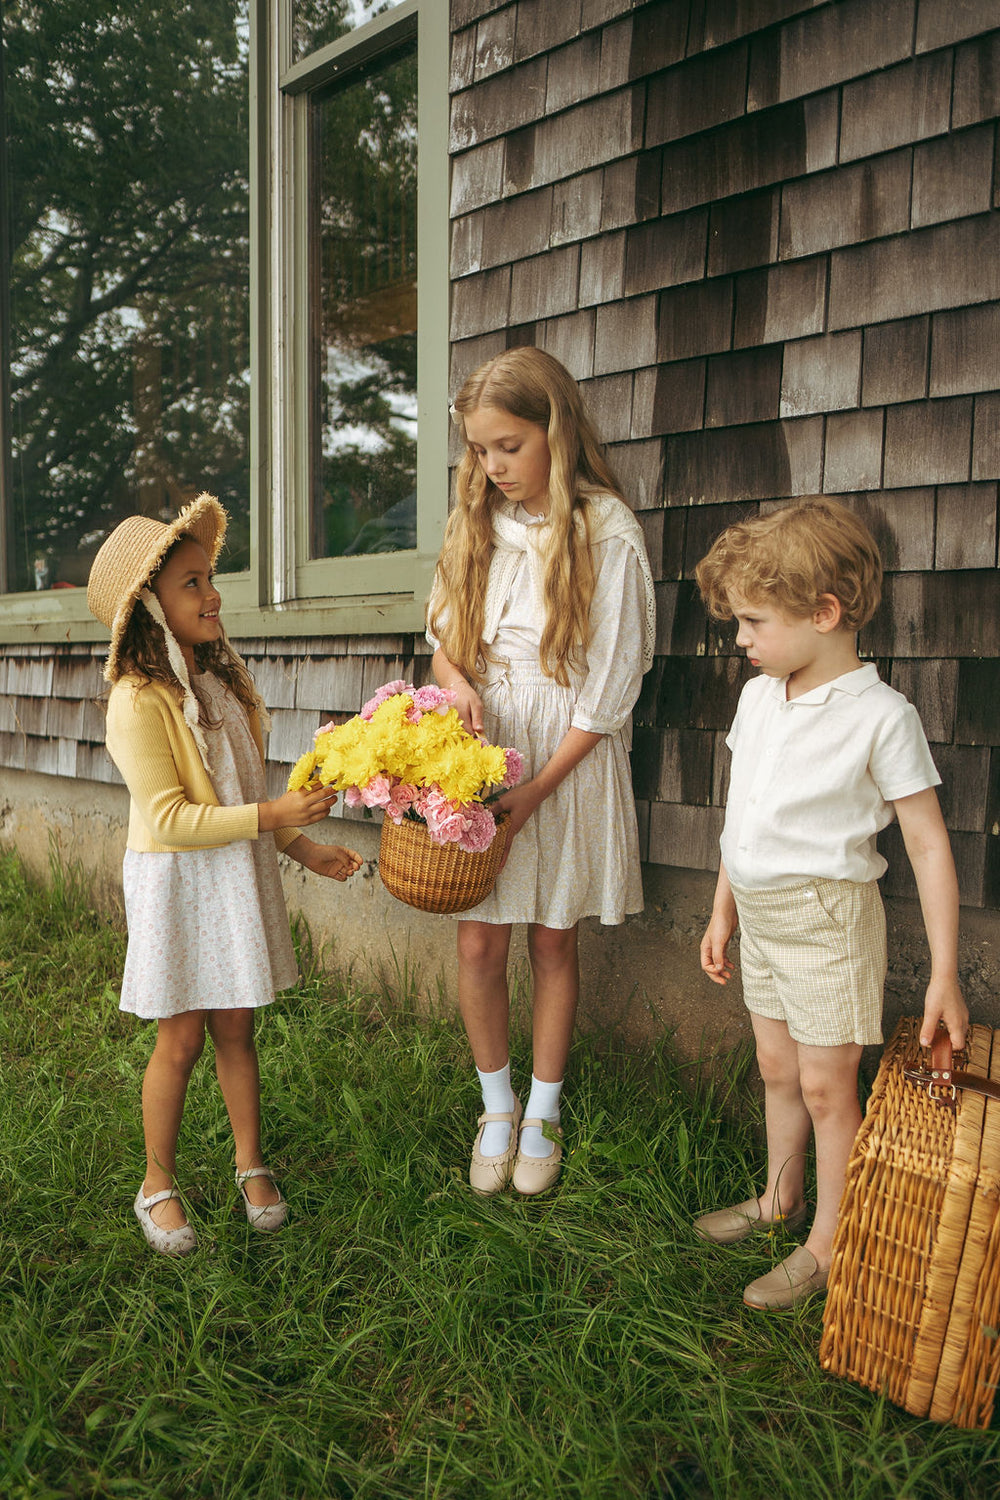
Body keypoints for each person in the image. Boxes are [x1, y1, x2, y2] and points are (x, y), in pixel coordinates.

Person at [694, 497, 968, 1308]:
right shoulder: (758, 698)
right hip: (762, 911)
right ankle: (782, 1199)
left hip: (827, 923)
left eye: (753, 622)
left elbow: (926, 844)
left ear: (825, 612)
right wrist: (721, 910)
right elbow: (739, 813)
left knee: (825, 1086)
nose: (740, 639)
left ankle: (827, 1242)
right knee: (776, 1068)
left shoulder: (880, 717)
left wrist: (944, 973)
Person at [87, 494, 362, 1256]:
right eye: (191, 584)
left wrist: (304, 849)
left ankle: (250, 1163)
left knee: (237, 1026)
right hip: (179, 883)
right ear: (148, 607)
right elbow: (174, 818)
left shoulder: (215, 686)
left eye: (209, 579)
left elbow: (239, 802)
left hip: (233, 876)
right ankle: (156, 1182)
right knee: (180, 1039)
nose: (212, 596)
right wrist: (276, 817)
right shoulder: (138, 702)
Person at [427, 347, 655, 1196]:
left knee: (552, 938)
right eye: (481, 450)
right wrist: (455, 691)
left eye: (509, 447)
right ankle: (495, 1104)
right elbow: (447, 649)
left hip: (564, 756)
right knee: (480, 935)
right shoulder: (474, 525)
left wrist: (534, 794)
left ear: (555, 432)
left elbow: (609, 693)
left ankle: (544, 1112)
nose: (493, 467)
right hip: (491, 754)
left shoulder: (607, 532)